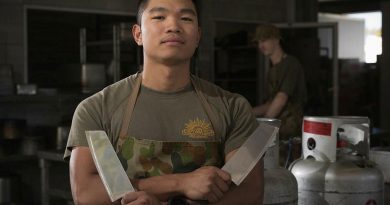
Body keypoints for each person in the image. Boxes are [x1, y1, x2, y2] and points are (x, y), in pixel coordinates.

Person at [64, 0, 264, 204]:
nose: (173, 26)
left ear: (198, 36)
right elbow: (86, 193)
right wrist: (181, 183)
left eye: (185, 18)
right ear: (138, 34)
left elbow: (249, 191)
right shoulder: (97, 110)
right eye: (159, 17)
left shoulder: (233, 108)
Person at [252, 24, 307, 166]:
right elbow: (271, 103)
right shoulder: (272, 70)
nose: (260, 45)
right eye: (258, 42)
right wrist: (247, 112)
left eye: (264, 40)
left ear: (276, 40)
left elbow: (281, 99)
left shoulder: (291, 64)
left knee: (288, 170)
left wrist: (264, 126)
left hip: (289, 131)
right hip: (277, 131)